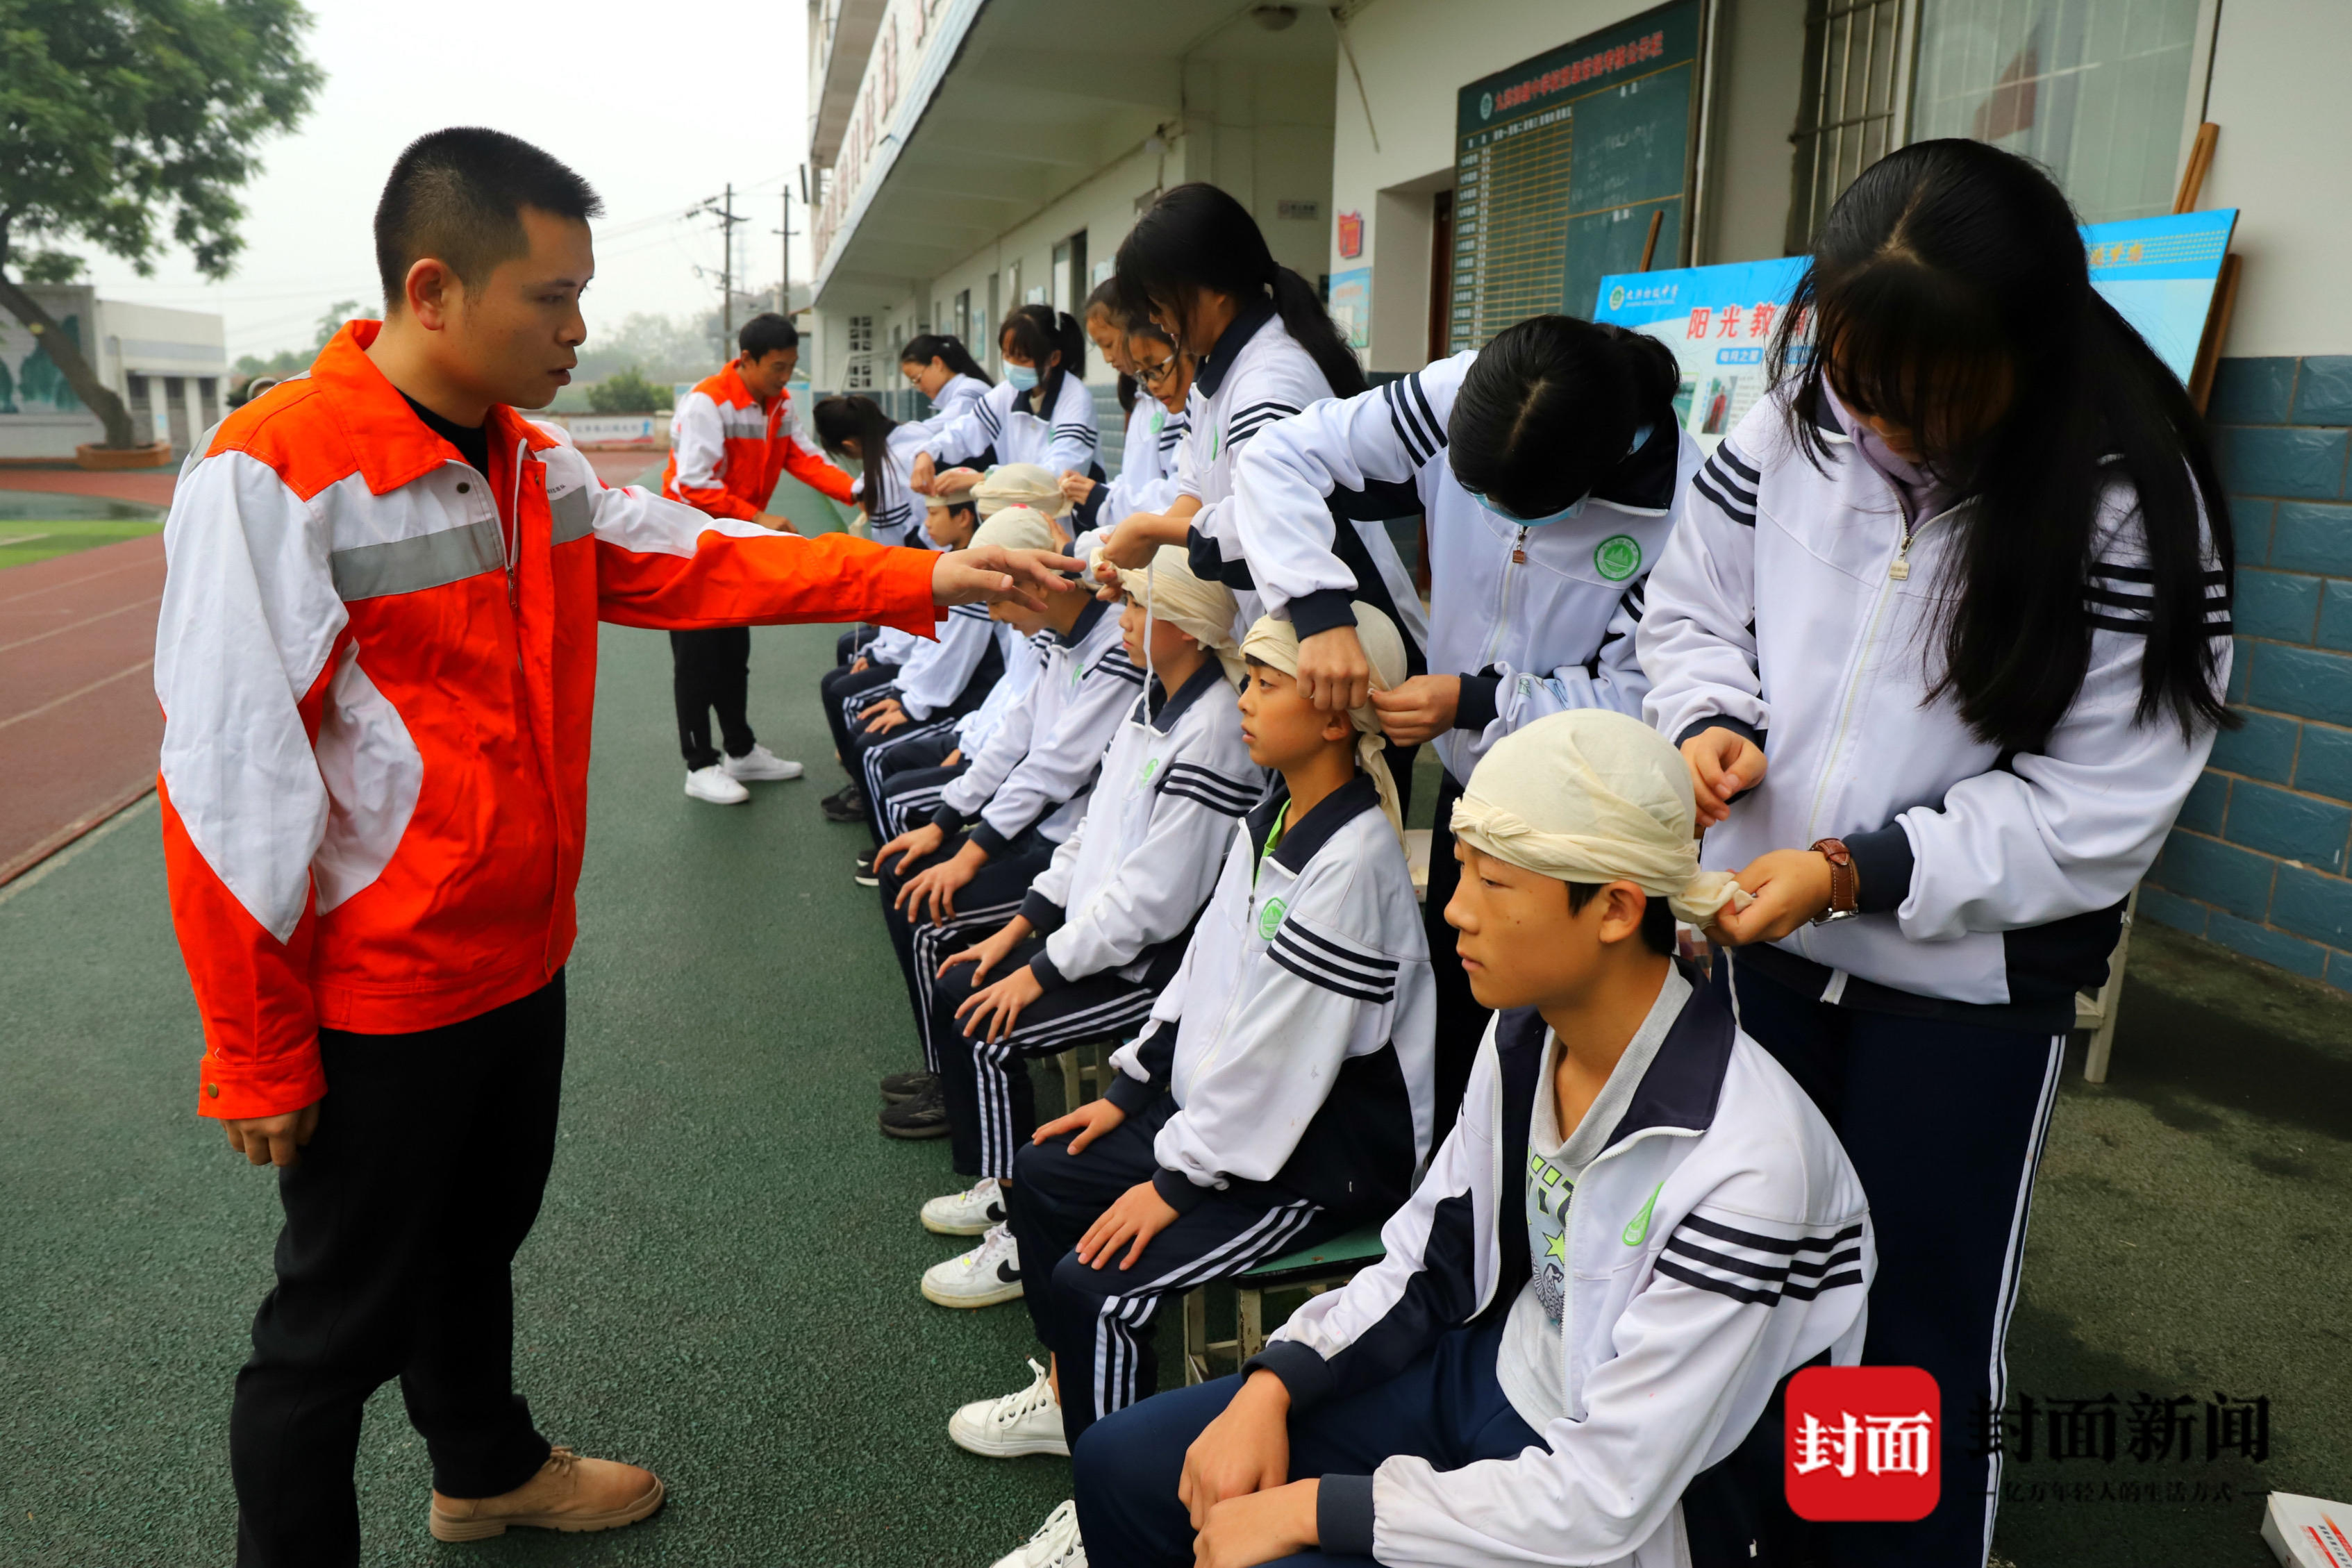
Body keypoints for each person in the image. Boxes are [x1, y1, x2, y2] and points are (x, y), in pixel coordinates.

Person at [153, 126, 1070, 1568]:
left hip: (518, 952)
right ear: (435, 289)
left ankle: (484, 1468)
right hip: (382, 989)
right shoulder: (276, 472)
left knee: (478, 1239)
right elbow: (227, 781)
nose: (579, 329)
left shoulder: (535, 464)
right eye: (553, 298)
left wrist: (927, 571)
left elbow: (697, 553)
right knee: (328, 1331)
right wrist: (257, 1045)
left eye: (581, 296)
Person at [1638, 140, 2235, 1568]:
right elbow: (1690, 609)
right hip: (1766, 950)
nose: (1878, 425)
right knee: (1746, 1286)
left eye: (1926, 402)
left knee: (1905, 1335)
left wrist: (1859, 869)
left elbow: (2100, 807)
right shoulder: (1789, 428)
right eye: (1855, 380)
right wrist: (1708, 720)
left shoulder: (2125, 507)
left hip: (1960, 996)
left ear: (2024, 359)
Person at [1070, 710, 1876, 1568]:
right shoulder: (1525, 1032)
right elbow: (1433, 1249)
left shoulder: (1751, 1167)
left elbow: (1606, 1495)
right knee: (1121, 1463)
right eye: (1461, 870)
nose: (1455, 909)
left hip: (1639, 1510)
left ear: (1614, 907)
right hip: (1497, 1370)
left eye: (1494, 882)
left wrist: (1313, 1507)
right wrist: (1277, 1379)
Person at [962, 604, 1435, 1567]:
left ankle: (1102, 1507)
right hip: (1235, 1127)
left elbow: (1282, 1065)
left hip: (1319, 1161)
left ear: (1334, 716)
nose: (1244, 698)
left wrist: (1171, 1182)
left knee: (1101, 1286)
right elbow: (1202, 980)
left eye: (1265, 682)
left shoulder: (1353, 862)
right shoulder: (1273, 815)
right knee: (1047, 1177)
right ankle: (1070, 1400)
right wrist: (1130, 1092)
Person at [1227, 312, 1699, 1134]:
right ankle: (1457, 1175)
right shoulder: (1470, 392)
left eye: (1516, 509)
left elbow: (1641, 703)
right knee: (1461, 1005)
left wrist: (1479, 702)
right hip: (1469, 789)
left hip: (1578, 816)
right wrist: (1317, 608)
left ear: (1590, 480)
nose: (1489, 517)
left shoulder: (1679, 509)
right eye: (1475, 493)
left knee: (1553, 1039)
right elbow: (1276, 458)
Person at [913, 547, 1265, 1310]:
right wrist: (1018, 933)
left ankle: (1016, 1229)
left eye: (1139, 605)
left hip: (1148, 969)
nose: (1123, 619)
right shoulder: (1153, 696)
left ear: (1188, 628)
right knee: (963, 979)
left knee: (983, 1025)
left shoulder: (1213, 731)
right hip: (1100, 943)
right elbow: (1088, 836)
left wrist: (1039, 970)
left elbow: (1152, 904)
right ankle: (1002, 1185)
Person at [870, 505, 1139, 1135]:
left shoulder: (1114, 648)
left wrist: (970, 852)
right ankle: (947, 1072)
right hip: (1046, 837)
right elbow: (1015, 736)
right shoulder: (1054, 638)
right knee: (906, 879)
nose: (995, 618)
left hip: (1071, 852)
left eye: (995, 601)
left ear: (1033, 586)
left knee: (923, 916)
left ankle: (955, 1088)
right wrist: (945, 822)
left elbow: (1054, 769)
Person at [1100, 184, 1428, 682]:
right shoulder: (1212, 375)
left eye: (1159, 300)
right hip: (1288, 633)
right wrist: (1141, 558)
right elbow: (1194, 495)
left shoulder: (1268, 381)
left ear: (1212, 288)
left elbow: (1269, 515)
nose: (1155, 318)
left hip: (1350, 632)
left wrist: (1149, 532)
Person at [660, 310, 852, 804]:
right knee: (696, 659)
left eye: (790, 367)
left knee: (732, 652)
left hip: (733, 542)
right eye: (777, 368)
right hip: (688, 547)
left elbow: (805, 458)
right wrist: (759, 518)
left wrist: (858, 491)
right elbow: (693, 484)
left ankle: (740, 751)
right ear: (746, 360)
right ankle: (699, 765)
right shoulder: (708, 403)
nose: (785, 378)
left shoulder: (779, 405)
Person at [911, 303, 1101, 491]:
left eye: (1023, 359)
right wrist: (929, 452)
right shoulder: (1007, 393)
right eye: (1007, 355)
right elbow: (967, 429)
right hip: (1020, 504)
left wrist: (983, 478)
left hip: (1068, 509)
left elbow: (1057, 474)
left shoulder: (1075, 400)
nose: (1013, 365)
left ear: (1054, 358)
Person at [899, 331, 995, 429]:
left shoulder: (969, 393)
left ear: (937, 363)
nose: (920, 389)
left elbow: (938, 431)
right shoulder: (959, 392)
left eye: (917, 379)